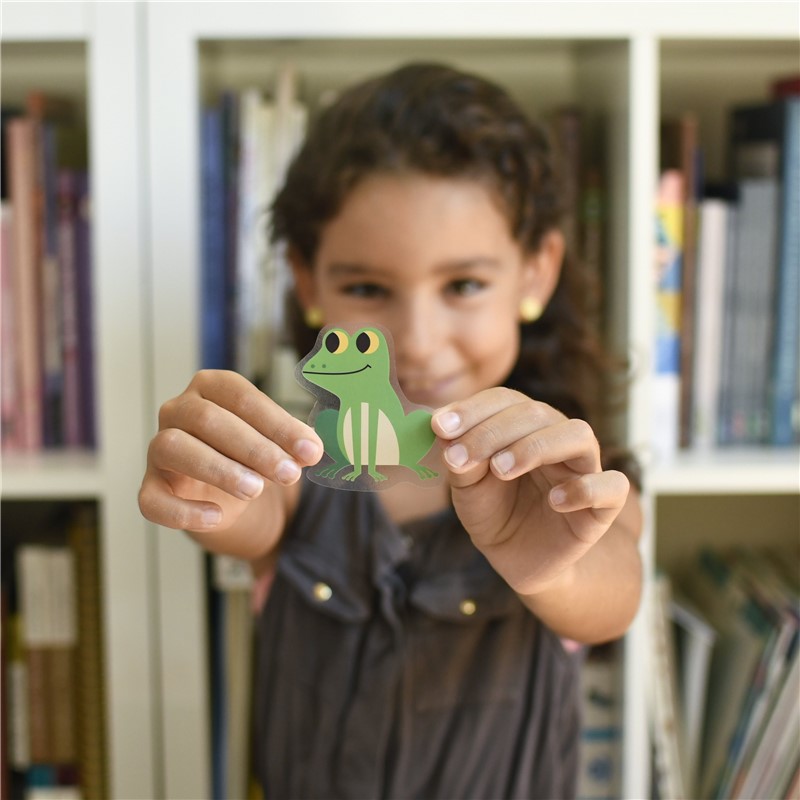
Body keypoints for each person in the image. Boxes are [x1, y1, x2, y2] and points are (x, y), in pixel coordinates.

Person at [139, 62, 643, 799]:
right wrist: (210, 487)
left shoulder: (569, 476)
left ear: (537, 273)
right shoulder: (295, 463)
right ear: (307, 282)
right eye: (368, 288)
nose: (417, 338)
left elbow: (613, 593)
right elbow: (249, 518)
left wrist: (555, 565)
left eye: (463, 285)